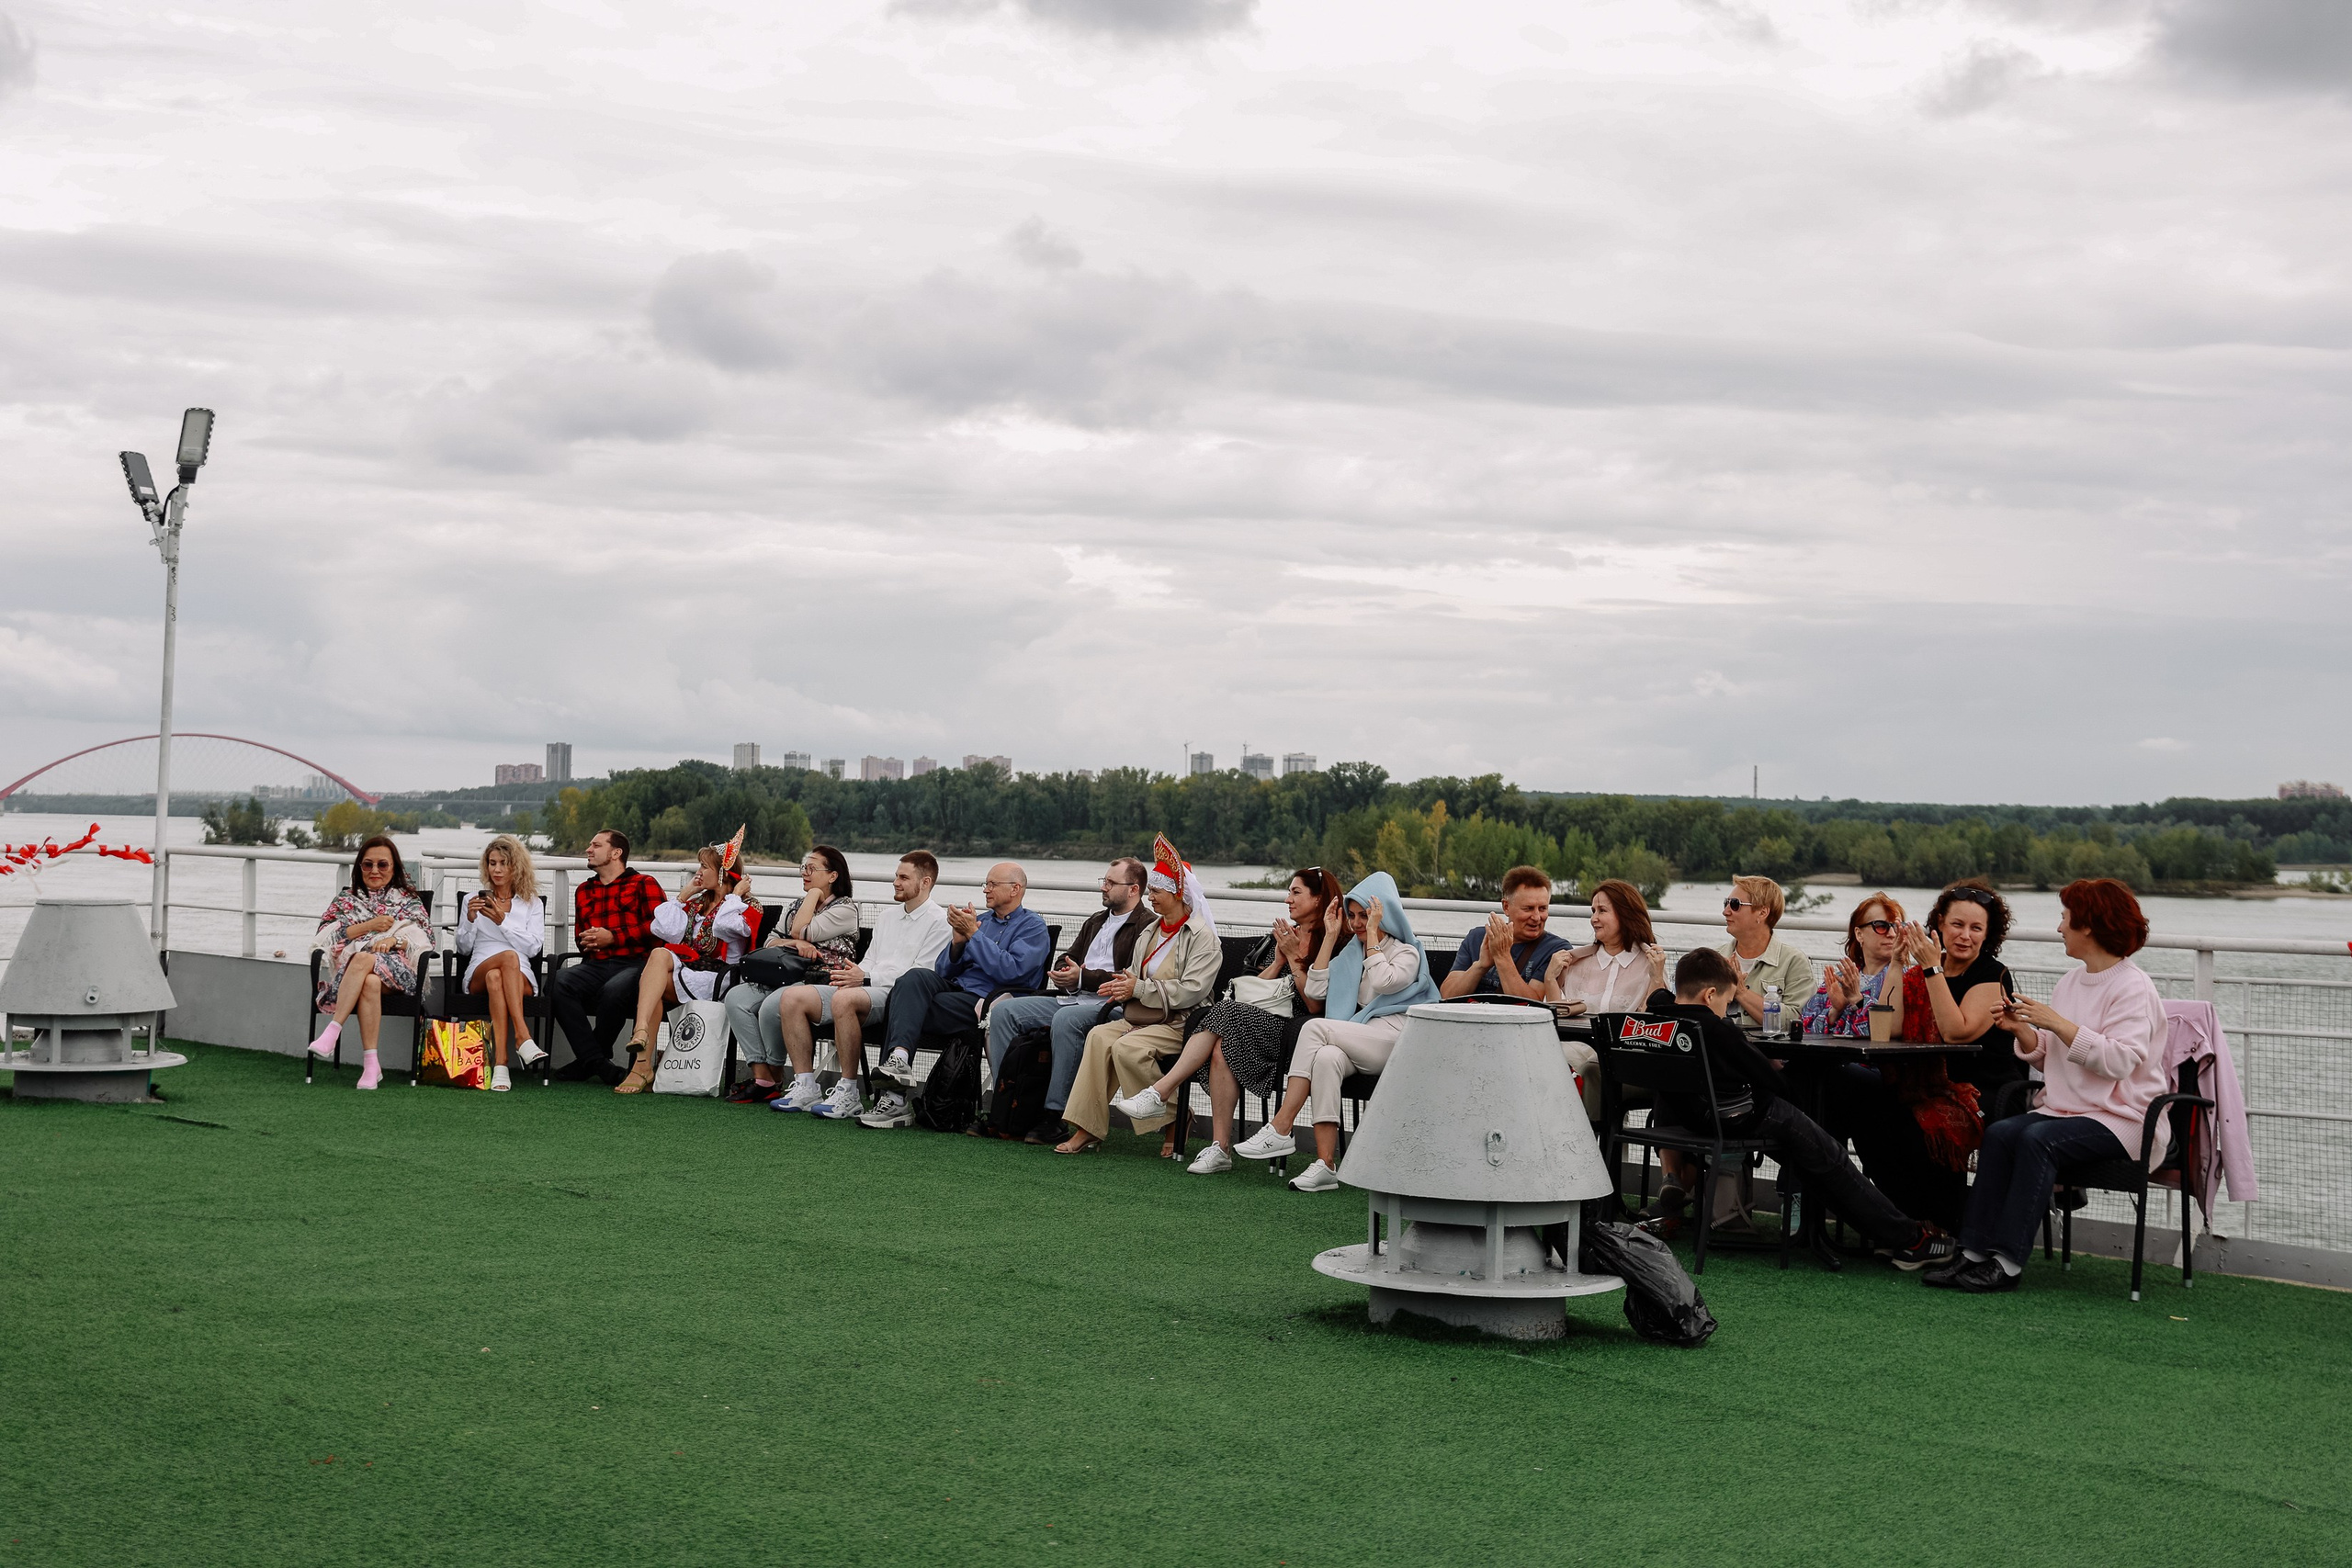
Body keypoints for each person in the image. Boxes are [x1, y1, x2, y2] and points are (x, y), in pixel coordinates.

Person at [1927, 878, 2171, 1293]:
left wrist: (2056, 1022)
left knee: (2038, 1139)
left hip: (2124, 1116)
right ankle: (1971, 1253)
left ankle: (2006, 1262)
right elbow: (2053, 1053)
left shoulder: (2133, 986)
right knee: (2002, 1133)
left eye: (2065, 918)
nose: (2060, 928)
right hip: (2070, 1111)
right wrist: (2022, 1030)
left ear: (2088, 926)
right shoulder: (2072, 981)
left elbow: (2119, 1061)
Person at [1647, 948, 1951, 1268]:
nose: (1725, 1009)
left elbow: (1657, 995)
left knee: (1814, 1159)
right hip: (1742, 1116)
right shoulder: (1716, 1029)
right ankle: (1909, 1239)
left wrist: (1658, 973)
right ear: (1710, 995)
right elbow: (1773, 1082)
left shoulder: (1658, 1015)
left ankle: (1891, 1234)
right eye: (1725, 1001)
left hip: (1693, 1120)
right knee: (1830, 1158)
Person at [1104, 866, 1345, 1175]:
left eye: (1296, 893)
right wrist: (1281, 959)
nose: (1288, 900)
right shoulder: (1289, 936)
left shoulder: (1332, 941)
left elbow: (1313, 1004)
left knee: (1223, 1013)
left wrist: (1295, 959)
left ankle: (1160, 1092)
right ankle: (1220, 1147)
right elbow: (1257, 989)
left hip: (1294, 1029)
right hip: (1255, 1018)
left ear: (1318, 898)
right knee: (1220, 1048)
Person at [1233, 871, 1441, 1192]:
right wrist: (1330, 937)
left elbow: (1385, 980)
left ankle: (1281, 1125)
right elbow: (1316, 991)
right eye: (1354, 916)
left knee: (1315, 1029)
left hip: (1398, 1041)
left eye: (1366, 916)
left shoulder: (1407, 952)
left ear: (1384, 913)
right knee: (1327, 1058)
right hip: (1362, 1035)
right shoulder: (1352, 953)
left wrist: (1372, 935)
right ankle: (1326, 1165)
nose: (1358, 923)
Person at [1804, 894, 1983, 1234]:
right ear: (1859, 934)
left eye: (1896, 926)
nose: (1890, 933)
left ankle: (1839, 1210)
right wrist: (1835, 1009)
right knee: (1813, 1087)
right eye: (1881, 925)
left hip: (1882, 1075)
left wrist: (1855, 1003)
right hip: (1842, 1076)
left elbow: (1884, 1031)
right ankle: (1815, 1207)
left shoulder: (1907, 977)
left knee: (1830, 1090)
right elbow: (1809, 1026)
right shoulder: (1842, 974)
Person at [848, 861, 1049, 1129]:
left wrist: (973, 936)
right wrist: (957, 942)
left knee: (901, 1003)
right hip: (955, 990)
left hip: (986, 1001)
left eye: (992, 885)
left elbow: (1011, 972)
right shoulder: (982, 921)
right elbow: (943, 969)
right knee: (913, 978)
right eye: (985, 884)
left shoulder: (1033, 926)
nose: (985, 890)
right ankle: (900, 1059)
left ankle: (894, 1100)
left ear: (1015, 889)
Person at [1058, 838, 1223, 1154]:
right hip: (1142, 1015)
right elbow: (1134, 973)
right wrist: (1121, 985)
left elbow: (1193, 990)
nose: (1151, 897)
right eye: (1150, 892)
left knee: (1126, 1048)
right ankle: (1087, 1126)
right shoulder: (1151, 931)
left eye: (1156, 892)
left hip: (1182, 1023)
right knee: (1098, 1037)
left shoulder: (1203, 937)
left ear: (1178, 895)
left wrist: (1138, 989)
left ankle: (1175, 1117)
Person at [981, 856, 1154, 1145]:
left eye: (1111, 883)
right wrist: (1064, 971)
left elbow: (1134, 977)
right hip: (1074, 998)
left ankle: (1055, 1116)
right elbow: (1068, 957)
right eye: (1104, 881)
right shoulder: (1096, 921)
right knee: (1004, 1013)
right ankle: (1008, 1105)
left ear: (1133, 889)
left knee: (1066, 1021)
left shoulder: (1147, 926)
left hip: (1116, 1007)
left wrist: (1083, 978)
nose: (1104, 888)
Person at [770, 852, 952, 1117]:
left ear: (925, 882)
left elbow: (920, 975)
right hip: (866, 987)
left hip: (898, 996)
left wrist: (864, 978)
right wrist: (853, 974)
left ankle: (849, 1092)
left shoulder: (940, 921)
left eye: (903, 877)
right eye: (895, 876)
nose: (895, 882)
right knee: (792, 997)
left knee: (844, 999)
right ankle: (806, 1086)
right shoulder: (887, 917)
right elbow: (869, 961)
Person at [614, 830, 761, 1095]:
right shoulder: (697, 904)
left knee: (654, 982)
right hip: (690, 972)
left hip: (720, 978)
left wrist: (735, 895)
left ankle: (642, 1063)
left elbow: (724, 926)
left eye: (704, 867)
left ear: (723, 873)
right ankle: (642, 1038)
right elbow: (665, 931)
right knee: (659, 957)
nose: (699, 872)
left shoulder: (746, 906)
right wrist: (684, 895)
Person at [722, 845, 860, 1103]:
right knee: (736, 998)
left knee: (772, 1006)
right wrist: (794, 945)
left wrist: (814, 895)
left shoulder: (845, 909)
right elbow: (771, 942)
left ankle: (775, 1074)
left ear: (833, 876)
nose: (805, 874)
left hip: (822, 982)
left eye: (812, 868)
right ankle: (762, 1076)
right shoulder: (795, 905)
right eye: (803, 868)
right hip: (784, 977)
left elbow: (803, 930)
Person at [305, 835, 433, 1090]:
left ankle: (333, 1030)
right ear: (359, 867)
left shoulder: (408, 900)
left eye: (382, 865)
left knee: (362, 958)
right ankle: (371, 1065)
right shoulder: (345, 900)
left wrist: (395, 941)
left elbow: (425, 941)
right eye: (368, 864)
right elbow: (324, 939)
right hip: (358, 976)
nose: (375, 870)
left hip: (400, 972)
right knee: (370, 982)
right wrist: (369, 926)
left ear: (394, 867)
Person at [550, 829, 668, 1086]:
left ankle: (588, 1061)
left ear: (616, 853)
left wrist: (614, 937)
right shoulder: (583, 890)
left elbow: (661, 929)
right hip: (595, 964)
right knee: (559, 980)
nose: (588, 849)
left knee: (614, 990)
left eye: (596, 845)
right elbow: (580, 936)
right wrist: (588, 941)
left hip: (636, 963)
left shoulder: (644, 884)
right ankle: (598, 1063)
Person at [1900, 879, 2028, 1095]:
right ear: (1941, 923)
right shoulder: (1926, 968)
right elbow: (1893, 1028)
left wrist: (1931, 968)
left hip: (1985, 1090)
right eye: (1957, 924)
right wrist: (1896, 963)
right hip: (1924, 1083)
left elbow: (1955, 1033)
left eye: (1976, 928)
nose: (1965, 936)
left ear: (1987, 933)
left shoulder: (1992, 974)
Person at [454, 833, 548, 1092]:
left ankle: (502, 1065)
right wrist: (471, 919)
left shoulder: (531, 903)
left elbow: (533, 947)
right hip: (479, 969)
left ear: (516, 867)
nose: (496, 869)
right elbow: (463, 948)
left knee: (501, 975)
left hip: (520, 974)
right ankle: (522, 1036)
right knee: (506, 958)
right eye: (492, 863)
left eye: (503, 863)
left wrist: (501, 921)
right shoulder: (472, 899)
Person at [1439, 866, 1570, 1000]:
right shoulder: (1477, 937)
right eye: (1528, 909)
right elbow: (1447, 995)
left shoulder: (1555, 949)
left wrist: (1502, 956)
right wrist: (1480, 966)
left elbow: (1533, 1004)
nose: (1536, 917)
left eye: (1542, 908)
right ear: (1506, 907)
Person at [1544, 877, 1668, 1014]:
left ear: (1625, 915)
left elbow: (1652, 1022)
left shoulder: (1652, 965)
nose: (1593, 919)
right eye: (1593, 911)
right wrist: (1550, 979)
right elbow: (1558, 1019)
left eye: (1602, 910)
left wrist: (1657, 980)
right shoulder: (1574, 964)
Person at [1717, 874, 1815, 1028]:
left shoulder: (1793, 961)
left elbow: (1799, 1021)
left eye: (1735, 904)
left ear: (1762, 913)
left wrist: (1742, 993)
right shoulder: (1714, 958)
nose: (1726, 911)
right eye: (1726, 903)